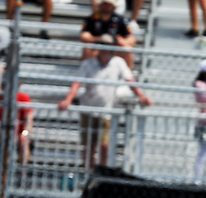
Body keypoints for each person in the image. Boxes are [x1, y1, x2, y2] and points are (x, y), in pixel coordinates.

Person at [57, 35, 152, 167]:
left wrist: (142, 96)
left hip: (105, 112)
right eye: (102, 45)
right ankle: (88, 174)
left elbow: (130, 80)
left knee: (104, 146)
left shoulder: (118, 62)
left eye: (107, 46)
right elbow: (77, 83)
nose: (104, 50)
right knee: (89, 146)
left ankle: (101, 175)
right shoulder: (88, 64)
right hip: (88, 110)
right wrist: (68, 100)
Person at [0, 90, 33, 174]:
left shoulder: (23, 98)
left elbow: (29, 119)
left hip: (19, 133)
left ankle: (23, 173)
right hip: (3, 133)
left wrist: (25, 132)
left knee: (24, 139)